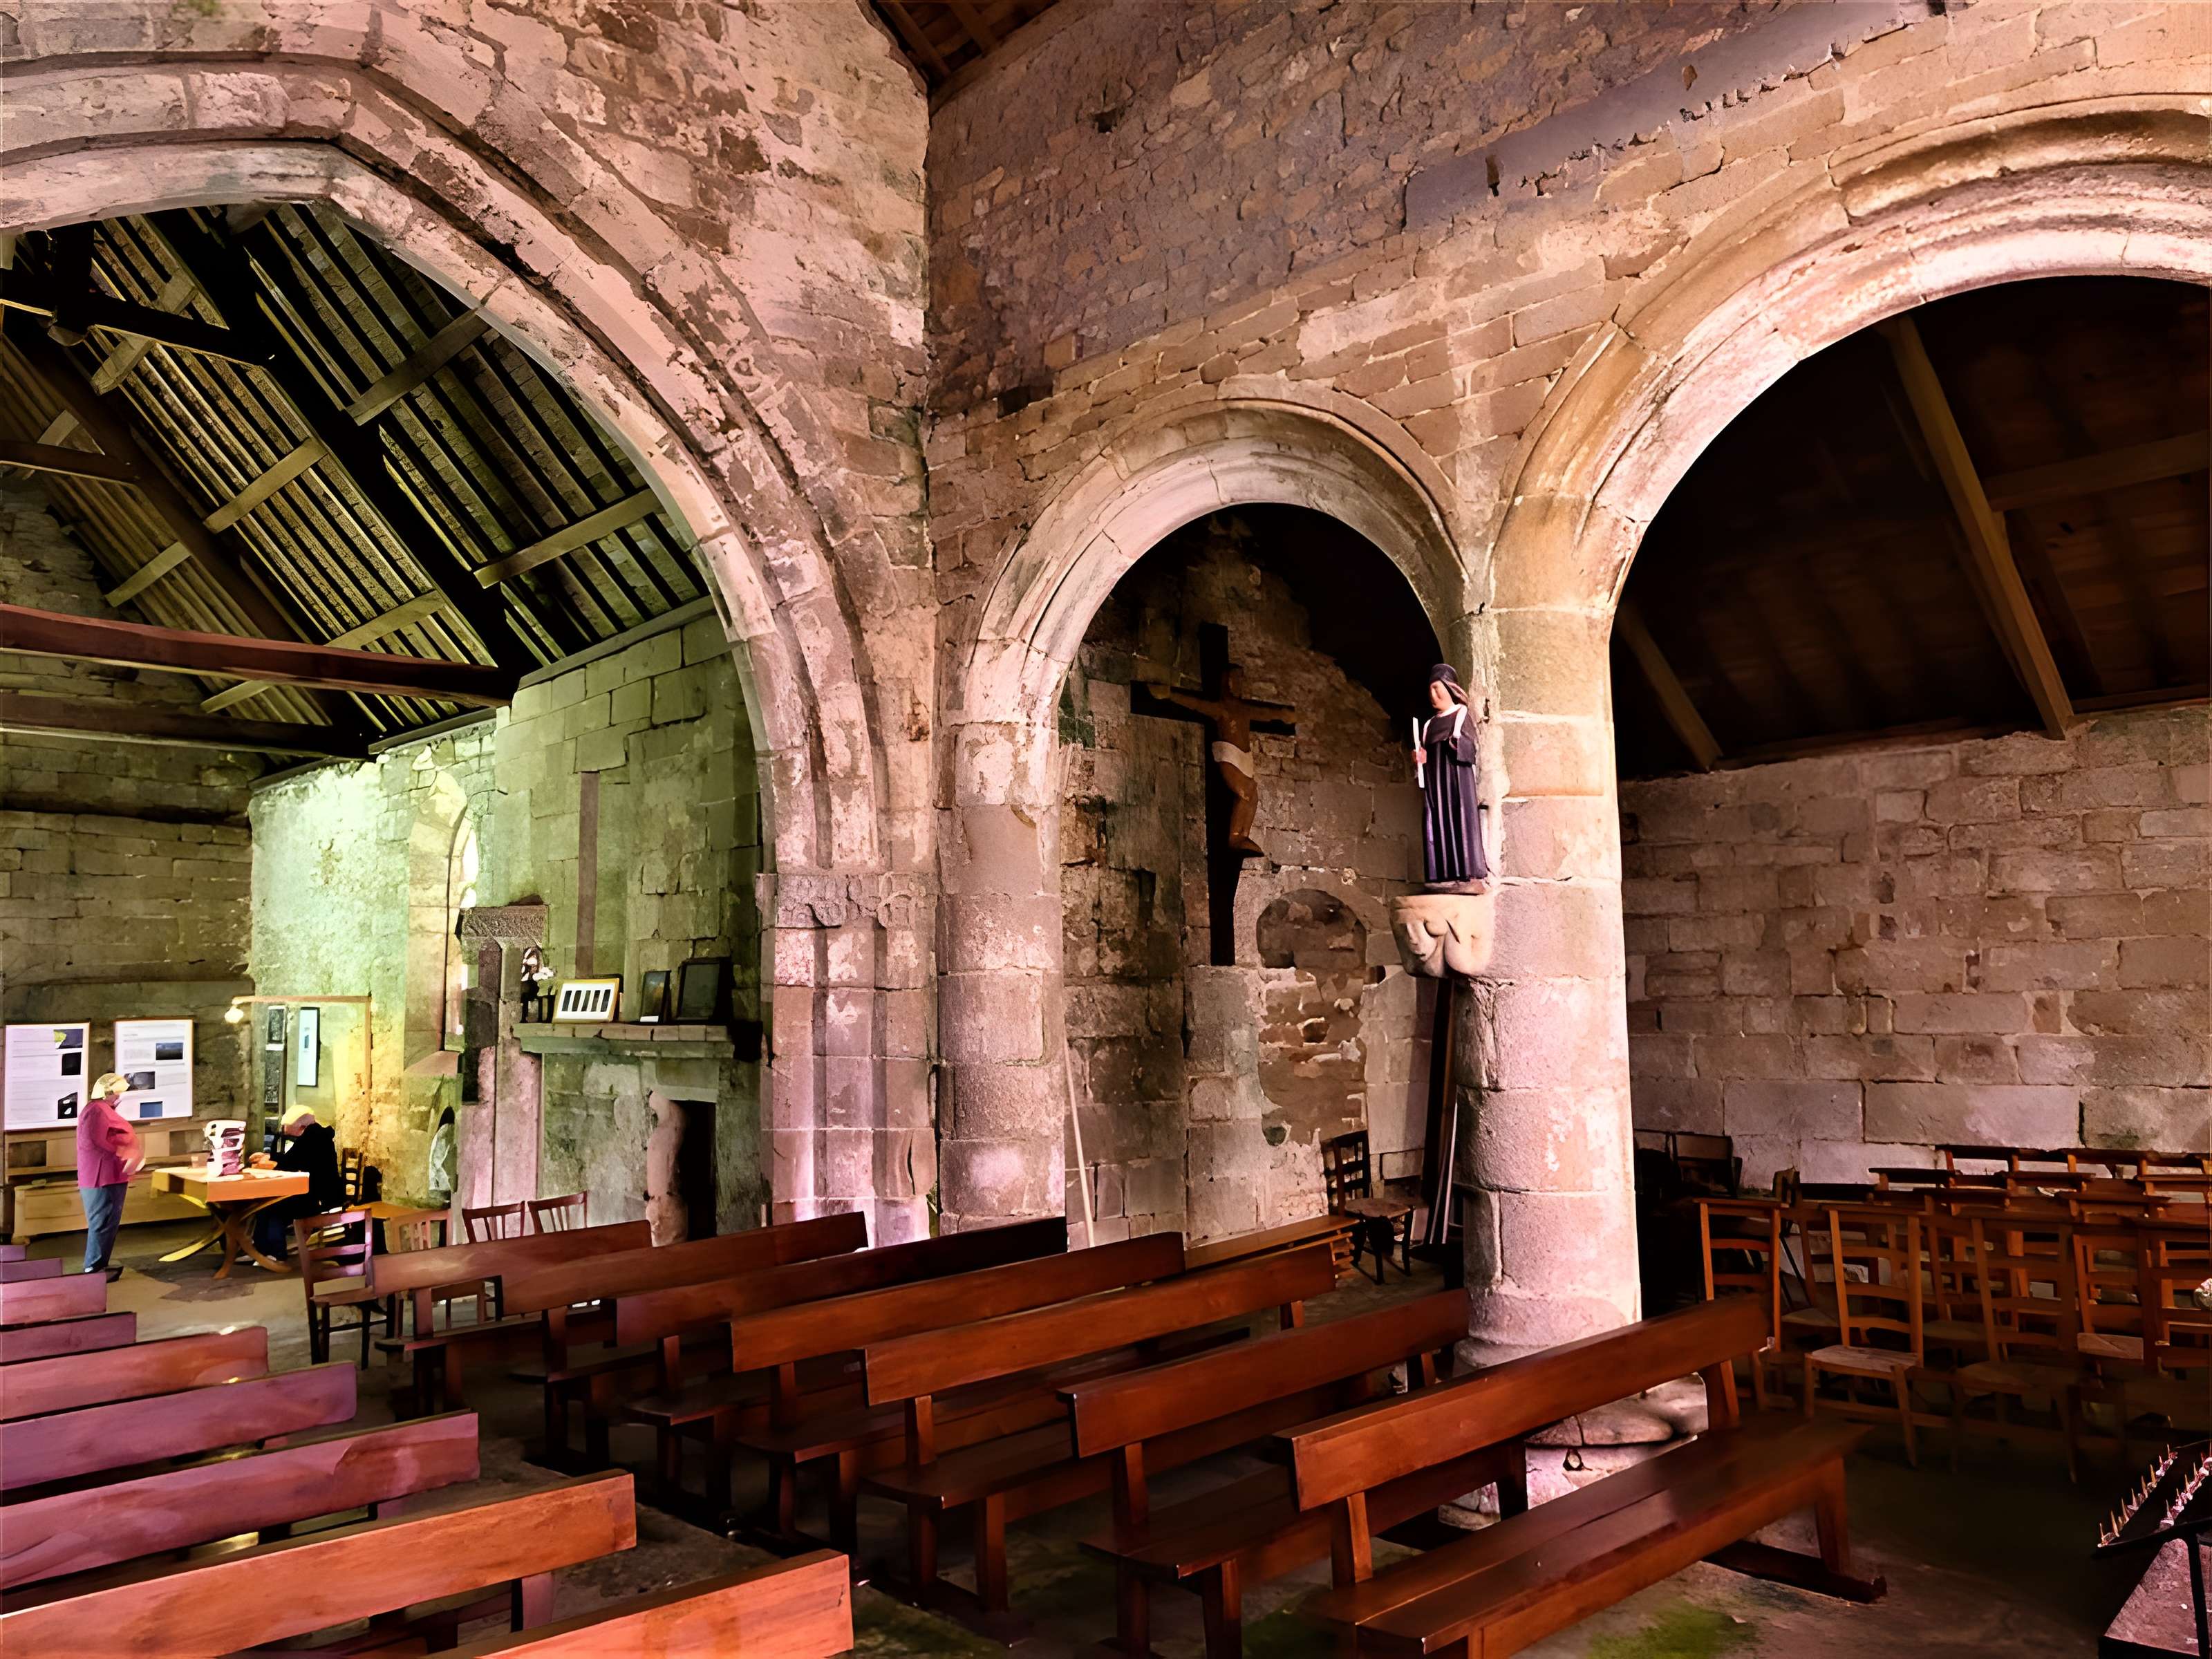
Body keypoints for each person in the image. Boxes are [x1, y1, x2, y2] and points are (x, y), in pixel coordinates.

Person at [1410, 662, 1490, 888]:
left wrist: (1457, 744)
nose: (1433, 695)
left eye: (1438, 688)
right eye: (1431, 691)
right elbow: (1425, 759)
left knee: (1459, 820)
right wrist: (1419, 760)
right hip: (1435, 783)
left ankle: (1466, 874)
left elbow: (1470, 748)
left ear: (1449, 688)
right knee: (1437, 823)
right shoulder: (1428, 725)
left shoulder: (1461, 714)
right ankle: (1441, 875)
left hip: (1455, 781)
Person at [250, 1105, 345, 1261]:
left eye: (290, 1131)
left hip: (318, 1196)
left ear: (302, 1127)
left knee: (272, 1205)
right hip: (315, 1191)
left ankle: (273, 1252)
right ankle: (263, 1250)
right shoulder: (316, 1135)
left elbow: (291, 1161)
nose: (289, 1136)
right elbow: (294, 1158)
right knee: (268, 1204)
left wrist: (269, 1159)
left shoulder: (314, 1137)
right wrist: (271, 1157)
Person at [77, 1072, 144, 1280]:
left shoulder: (103, 1110)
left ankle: (98, 1266)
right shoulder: (96, 1110)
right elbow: (94, 1140)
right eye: (117, 1093)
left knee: (107, 1222)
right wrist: (124, 1153)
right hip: (102, 1176)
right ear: (107, 1091)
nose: (120, 1097)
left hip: (112, 1174)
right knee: (102, 1222)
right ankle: (93, 1269)